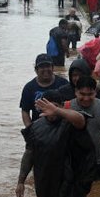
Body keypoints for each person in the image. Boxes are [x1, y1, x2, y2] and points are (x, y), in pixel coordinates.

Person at [16, 90, 96, 197]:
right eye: (46, 106)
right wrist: (21, 181)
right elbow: (29, 153)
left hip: (70, 180)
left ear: (62, 106)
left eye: (54, 106)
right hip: (45, 181)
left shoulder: (71, 121)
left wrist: (57, 111)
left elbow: (81, 120)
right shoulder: (35, 127)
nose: (51, 110)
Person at [17, 54, 70, 189]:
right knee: (35, 158)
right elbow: (25, 111)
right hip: (39, 130)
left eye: (48, 66)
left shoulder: (63, 84)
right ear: (36, 69)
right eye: (42, 67)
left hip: (60, 129)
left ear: (53, 68)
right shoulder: (29, 87)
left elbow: (70, 107)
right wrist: (30, 130)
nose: (45, 70)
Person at [67, 76, 100, 181]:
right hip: (77, 164)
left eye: (90, 94)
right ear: (76, 91)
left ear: (95, 92)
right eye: (82, 94)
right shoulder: (67, 107)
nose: (86, 98)